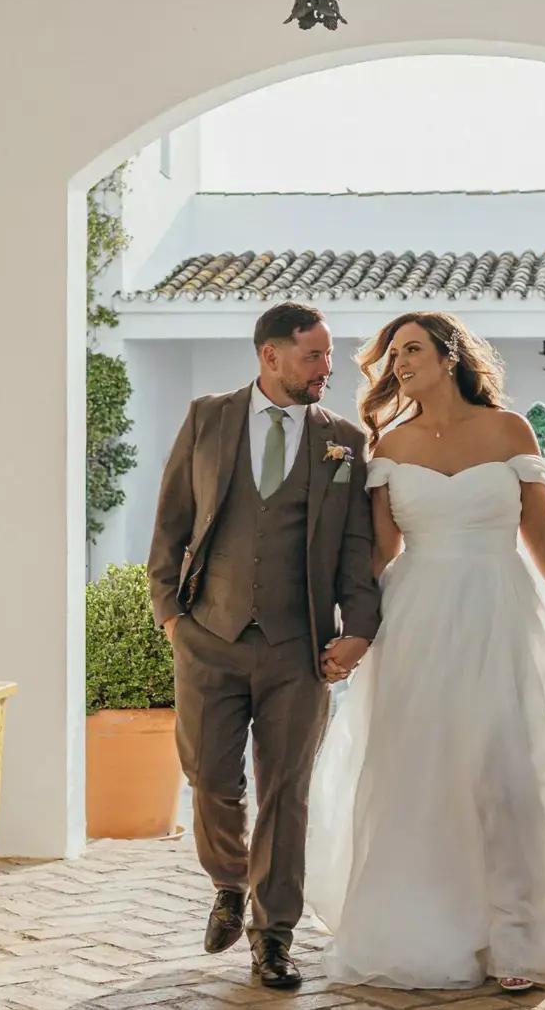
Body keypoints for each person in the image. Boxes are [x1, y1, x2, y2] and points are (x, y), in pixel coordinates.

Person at [304, 310, 545, 992]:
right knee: (422, 771)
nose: (400, 363)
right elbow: (381, 555)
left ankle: (522, 936)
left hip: (503, 609)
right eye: (391, 355)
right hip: (417, 619)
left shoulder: (509, 430)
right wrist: (342, 623)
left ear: (448, 356)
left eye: (412, 348)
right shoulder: (388, 447)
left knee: (513, 769)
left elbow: (538, 533)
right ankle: (428, 930)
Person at [147, 300, 381, 989]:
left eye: (329, 357)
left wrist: (358, 630)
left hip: (298, 647)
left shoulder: (343, 440)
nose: (326, 370)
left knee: (288, 792)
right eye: (313, 356)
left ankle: (273, 935)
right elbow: (171, 525)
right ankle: (228, 878)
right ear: (269, 355)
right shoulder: (208, 418)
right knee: (211, 779)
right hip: (209, 637)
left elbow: (357, 549)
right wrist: (171, 617)